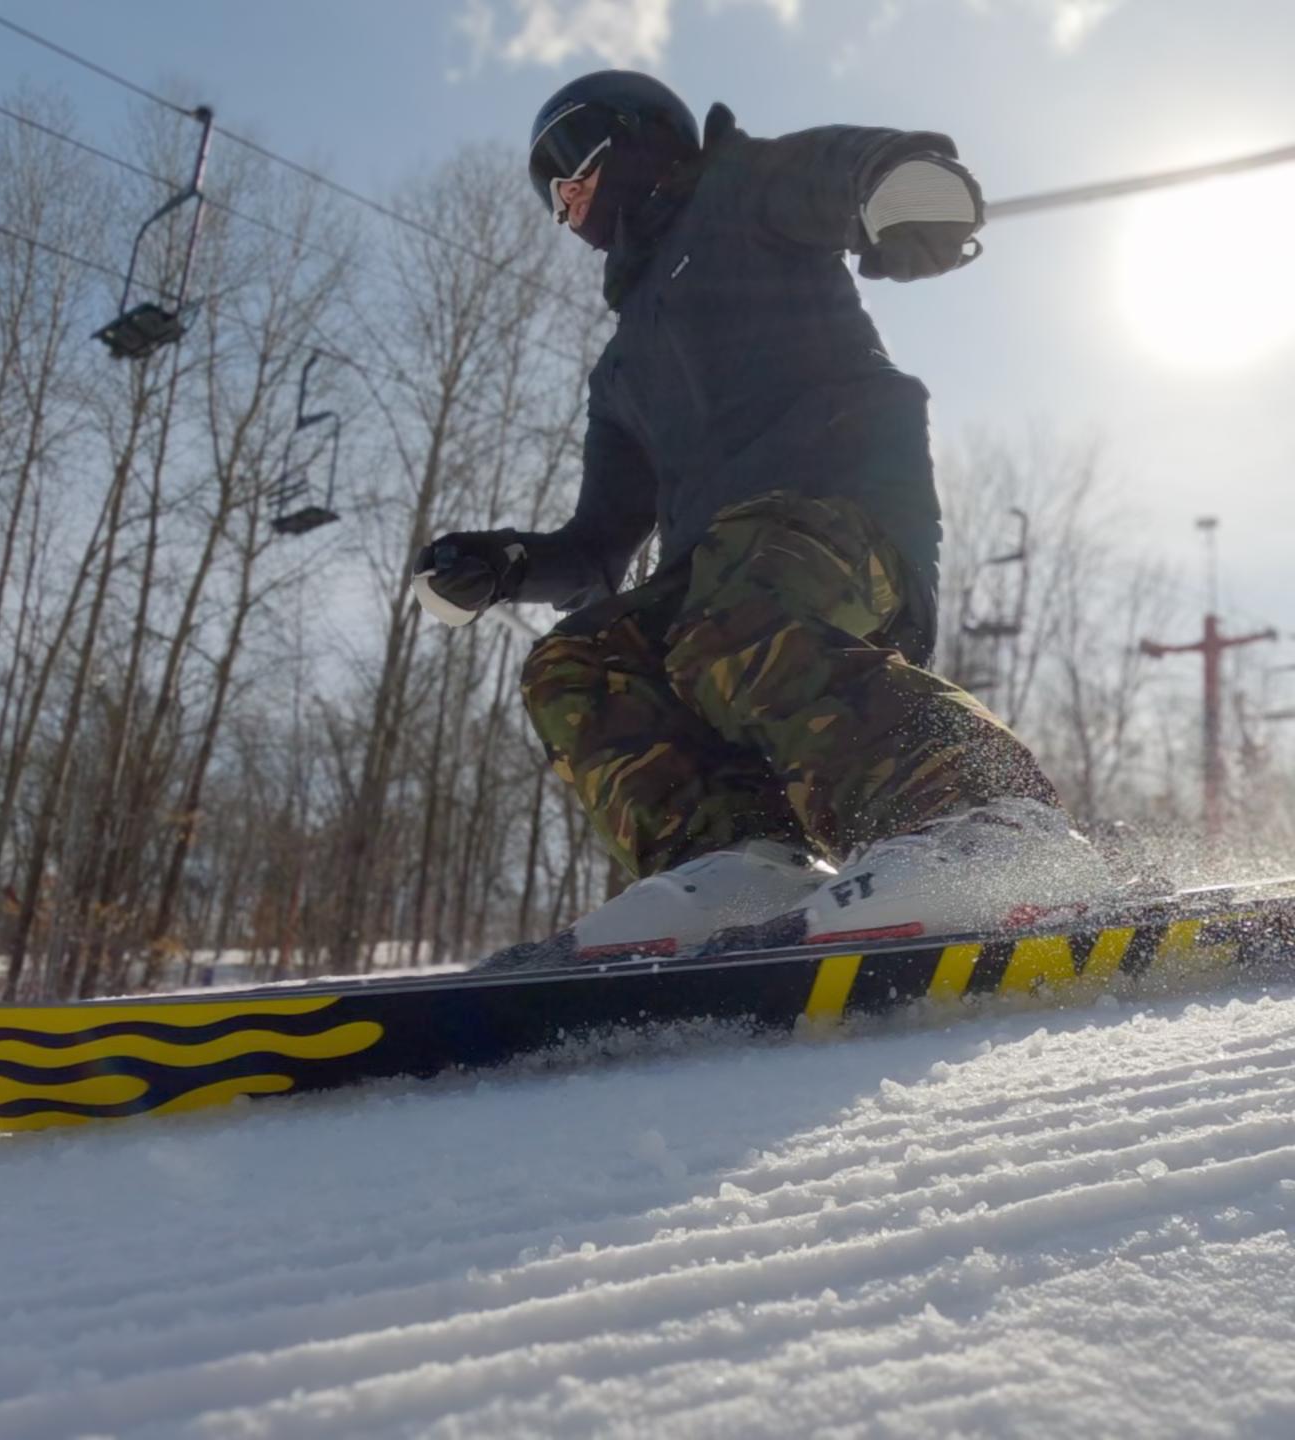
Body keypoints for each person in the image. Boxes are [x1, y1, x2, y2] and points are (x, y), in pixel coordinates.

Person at [411, 70, 1112, 959]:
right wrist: (504, 566)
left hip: (843, 522)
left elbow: (840, 170)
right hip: (725, 584)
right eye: (550, 196)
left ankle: (987, 823)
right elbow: (597, 548)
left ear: (635, 135)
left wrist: (902, 185)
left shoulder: (743, 188)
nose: (566, 203)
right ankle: (742, 862)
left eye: (570, 169)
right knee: (578, 661)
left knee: (728, 613)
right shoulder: (622, 370)